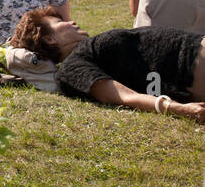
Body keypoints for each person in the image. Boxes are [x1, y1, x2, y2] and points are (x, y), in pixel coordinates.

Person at [11, 8, 205, 121]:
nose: (72, 22)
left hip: (193, 52)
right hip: (190, 64)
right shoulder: (71, 67)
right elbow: (122, 96)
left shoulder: (86, 51)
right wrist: (178, 108)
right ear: (50, 38)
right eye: (59, 22)